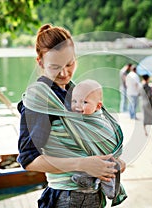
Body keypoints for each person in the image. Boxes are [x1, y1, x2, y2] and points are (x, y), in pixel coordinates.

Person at [17, 24, 126, 208]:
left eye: (70, 64)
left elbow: (86, 140)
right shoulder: (40, 100)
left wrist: (111, 163)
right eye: (55, 67)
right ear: (40, 63)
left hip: (92, 195)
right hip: (66, 198)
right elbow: (29, 160)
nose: (64, 73)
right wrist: (83, 164)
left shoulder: (75, 93)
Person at [69, 79, 123, 200]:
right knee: (89, 160)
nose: (77, 105)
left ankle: (110, 188)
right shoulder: (78, 118)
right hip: (92, 160)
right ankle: (88, 178)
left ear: (98, 106)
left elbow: (107, 134)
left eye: (84, 102)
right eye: (74, 101)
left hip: (105, 156)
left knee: (106, 168)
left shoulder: (97, 121)